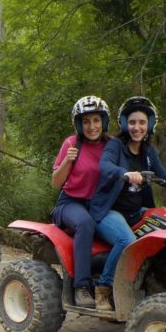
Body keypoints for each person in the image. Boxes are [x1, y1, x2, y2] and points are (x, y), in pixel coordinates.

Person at [89, 96, 166, 308]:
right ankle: (103, 289)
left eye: (141, 122)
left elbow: (164, 176)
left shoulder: (148, 152)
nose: (136, 127)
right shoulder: (115, 146)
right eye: (132, 122)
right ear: (123, 124)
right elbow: (105, 165)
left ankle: (154, 286)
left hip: (136, 211)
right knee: (126, 240)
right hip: (108, 211)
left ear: (149, 125)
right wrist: (125, 173)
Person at [51, 96, 112, 309]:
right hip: (70, 203)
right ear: (79, 124)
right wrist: (68, 160)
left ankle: (111, 286)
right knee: (85, 223)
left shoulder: (111, 145)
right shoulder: (71, 143)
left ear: (103, 121)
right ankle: (81, 287)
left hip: (99, 204)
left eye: (96, 120)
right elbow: (55, 182)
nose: (92, 126)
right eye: (86, 121)